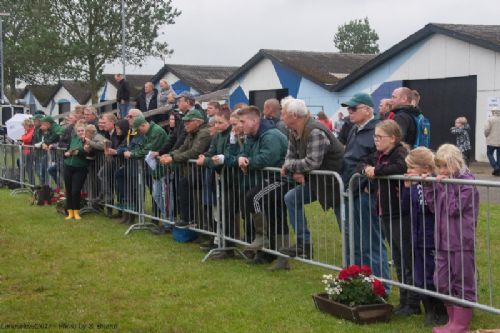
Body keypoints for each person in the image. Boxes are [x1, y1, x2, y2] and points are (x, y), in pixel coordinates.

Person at [362, 120, 420, 316]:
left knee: (406, 257)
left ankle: (412, 302)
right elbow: (360, 161)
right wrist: (366, 169)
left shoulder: (400, 153)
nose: (376, 141)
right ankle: (404, 300)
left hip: (399, 213)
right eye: (375, 137)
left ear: (393, 138)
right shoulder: (379, 154)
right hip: (385, 212)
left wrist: (375, 171)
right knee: (397, 257)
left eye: (380, 137)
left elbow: (400, 168)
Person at [278, 97, 344, 262]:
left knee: (344, 223)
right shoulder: (294, 131)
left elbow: (312, 162)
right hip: (317, 183)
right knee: (291, 198)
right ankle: (304, 244)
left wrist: (294, 168)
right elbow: (289, 158)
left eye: (284, 113)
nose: (281, 116)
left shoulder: (314, 131)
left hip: (336, 184)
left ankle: (355, 260)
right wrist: (296, 168)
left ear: (294, 116)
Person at [338, 92, 391, 292]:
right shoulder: (353, 129)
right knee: (356, 242)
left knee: (372, 243)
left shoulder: (377, 129)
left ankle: (382, 286)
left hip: (366, 192)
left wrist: (361, 184)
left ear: (368, 110)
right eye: (348, 109)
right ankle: (361, 281)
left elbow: (375, 159)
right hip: (352, 190)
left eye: (353, 108)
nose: (349, 112)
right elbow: (349, 159)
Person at [423, 144, 479, 333]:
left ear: (456, 163)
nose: (443, 171)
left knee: (462, 281)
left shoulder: (467, 183)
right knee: (441, 281)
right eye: (440, 167)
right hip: (442, 240)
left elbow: (454, 208)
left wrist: (445, 186)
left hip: (461, 241)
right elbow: (433, 206)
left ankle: (460, 324)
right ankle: (451, 320)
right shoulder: (443, 181)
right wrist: (430, 187)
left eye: (446, 166)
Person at [402, 147, 447, 326]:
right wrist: (406, 189)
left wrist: (428, 186)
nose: (408, 172)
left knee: (433, 276)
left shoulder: (433, 185)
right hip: (417, 237)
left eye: (411, 168)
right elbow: (405, 207)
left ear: (426, 169)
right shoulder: (413, 186)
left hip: (431, 238)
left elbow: (433, 209)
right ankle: (428, 310)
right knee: (420, 276)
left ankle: (441, 310)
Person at [159, 109, 211, 227]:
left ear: (198, 122)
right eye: (184, 122)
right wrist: (170, 154)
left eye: (188, 122)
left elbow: (194, 152)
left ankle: (187, 218)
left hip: (205, 172)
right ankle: (189, 219)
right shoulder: (191, 133)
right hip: (195, 171)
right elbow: (183, 148)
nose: (185, 124)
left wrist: (173, 158)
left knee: (185, 184)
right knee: (183, 185)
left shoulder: (204, 133)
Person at [124, 116, 169, 223]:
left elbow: (147, 150)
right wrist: (134, 152)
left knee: (164, 197)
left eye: (139, 130)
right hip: (156, 169)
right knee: (157, 196)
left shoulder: (156, 132)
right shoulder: (148, 133)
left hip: (164, 168)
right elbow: (142, 146)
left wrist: (132, 154)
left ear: (144, 125)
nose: (139, 132)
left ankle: (168, 223)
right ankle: (167, 221)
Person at [63, 122, 90, 220]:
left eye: (82, 130)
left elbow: (87, 151)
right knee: (68, 190)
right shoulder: (73, 138)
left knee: (76, 190)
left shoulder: (87, 140)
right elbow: (67, 149)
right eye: (78, 131)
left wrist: (78, 151)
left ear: (85, 131)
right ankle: (70, 212)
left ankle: (77, 211)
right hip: (68, 166)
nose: (80, 132)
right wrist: (67, 153)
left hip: (80, 168)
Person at [484, 109, 500, 176]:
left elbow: (486, 129)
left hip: (491, 141)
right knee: (499, 156)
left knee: (489, 154)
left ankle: (495, 167)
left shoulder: (490, 119)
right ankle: (498, 170)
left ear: (493, 112)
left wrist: (486, 135)